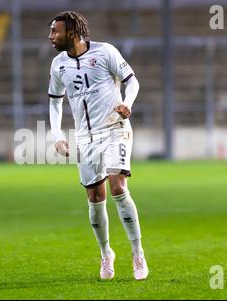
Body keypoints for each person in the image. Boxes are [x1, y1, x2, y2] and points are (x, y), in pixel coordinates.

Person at [47, 11, 148, 280]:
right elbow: (55, 101)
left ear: (73, 33)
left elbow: (132, 81)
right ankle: (106, 254)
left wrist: (128, 104)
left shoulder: (105, 53)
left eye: (55, 31)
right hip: (85, 137)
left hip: (115, 127)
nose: (50, 37)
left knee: (118, 187)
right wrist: (56, 135)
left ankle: (137, 253)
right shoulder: (58, 65)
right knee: (95, 197)